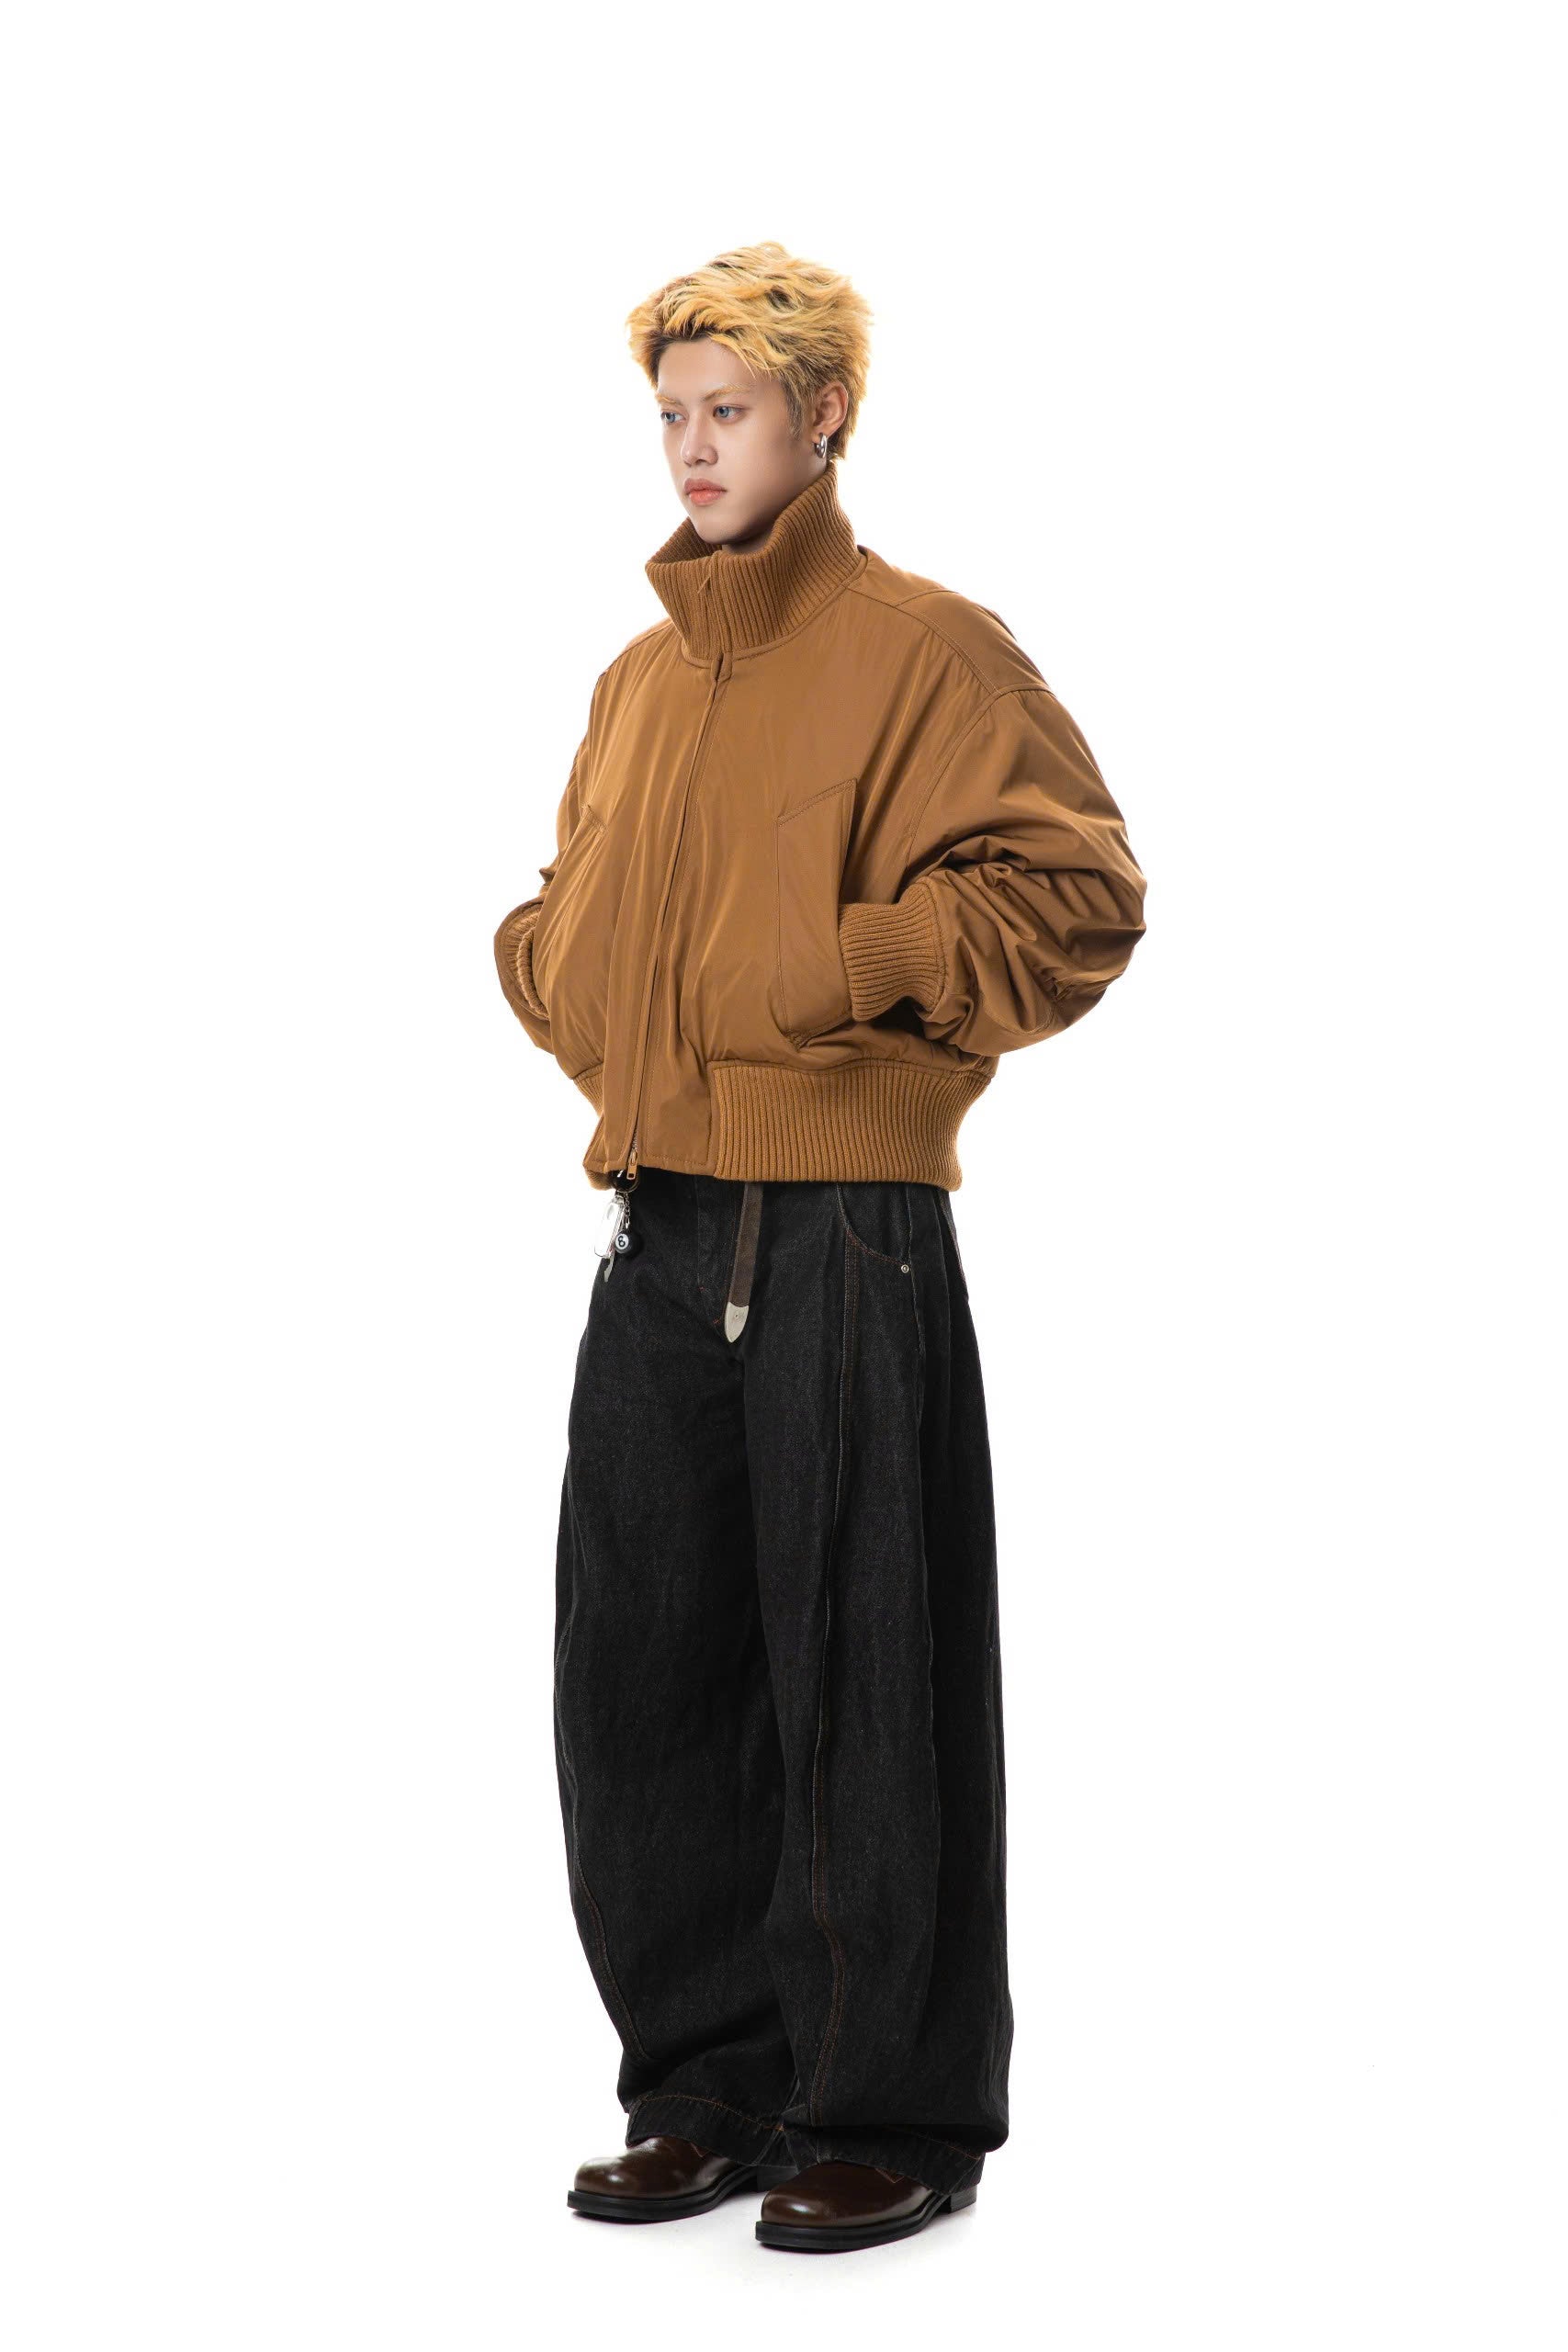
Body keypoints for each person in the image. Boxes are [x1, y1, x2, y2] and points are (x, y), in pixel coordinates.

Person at [493, 241, 1147, 2254]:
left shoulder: (924, 649)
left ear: (823, 415)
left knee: (870, 1671)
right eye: (671, 416)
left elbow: (1079, 894)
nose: (693, 448)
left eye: (731, 411)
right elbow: (575, 910)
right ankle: (706, 2084)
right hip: (658, 1226)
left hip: (849, 1227)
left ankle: (890, 2108)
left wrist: (850, 960)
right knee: (644, 1674)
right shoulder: (637, 682)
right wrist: (560, 971)